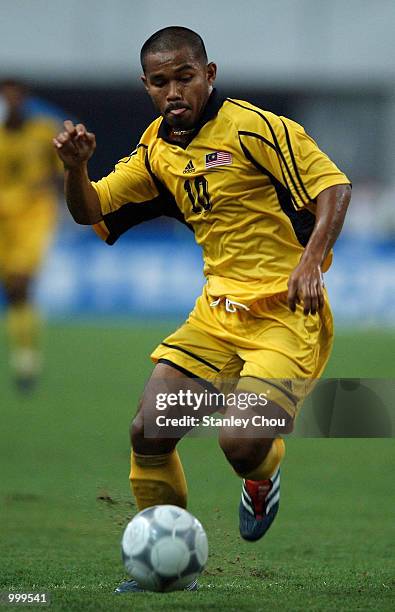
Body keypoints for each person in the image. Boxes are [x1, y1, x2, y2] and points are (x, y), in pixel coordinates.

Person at [53, 26, 351, 593]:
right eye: (160, 82)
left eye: (184, 77)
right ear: (146, 86)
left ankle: (262, 474)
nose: (174, 91)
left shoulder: (256, 128)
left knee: (239, 444)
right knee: (150, 430)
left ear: (208, 75)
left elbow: (334, 188)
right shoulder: (155, 148)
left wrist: (311, 262)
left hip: (287, 315)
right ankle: (164, 567)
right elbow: (88, 210)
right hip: (216, 315)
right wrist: (74, 169)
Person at [0, 79, 61, 391]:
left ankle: (25, 362)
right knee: (12, 290)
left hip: (34, 216)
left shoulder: (43, 131)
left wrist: (50, 185)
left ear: (23, 98)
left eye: (15, 95)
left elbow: (61, 170)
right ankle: (25, 351)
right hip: (3, 220)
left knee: (22, 282)